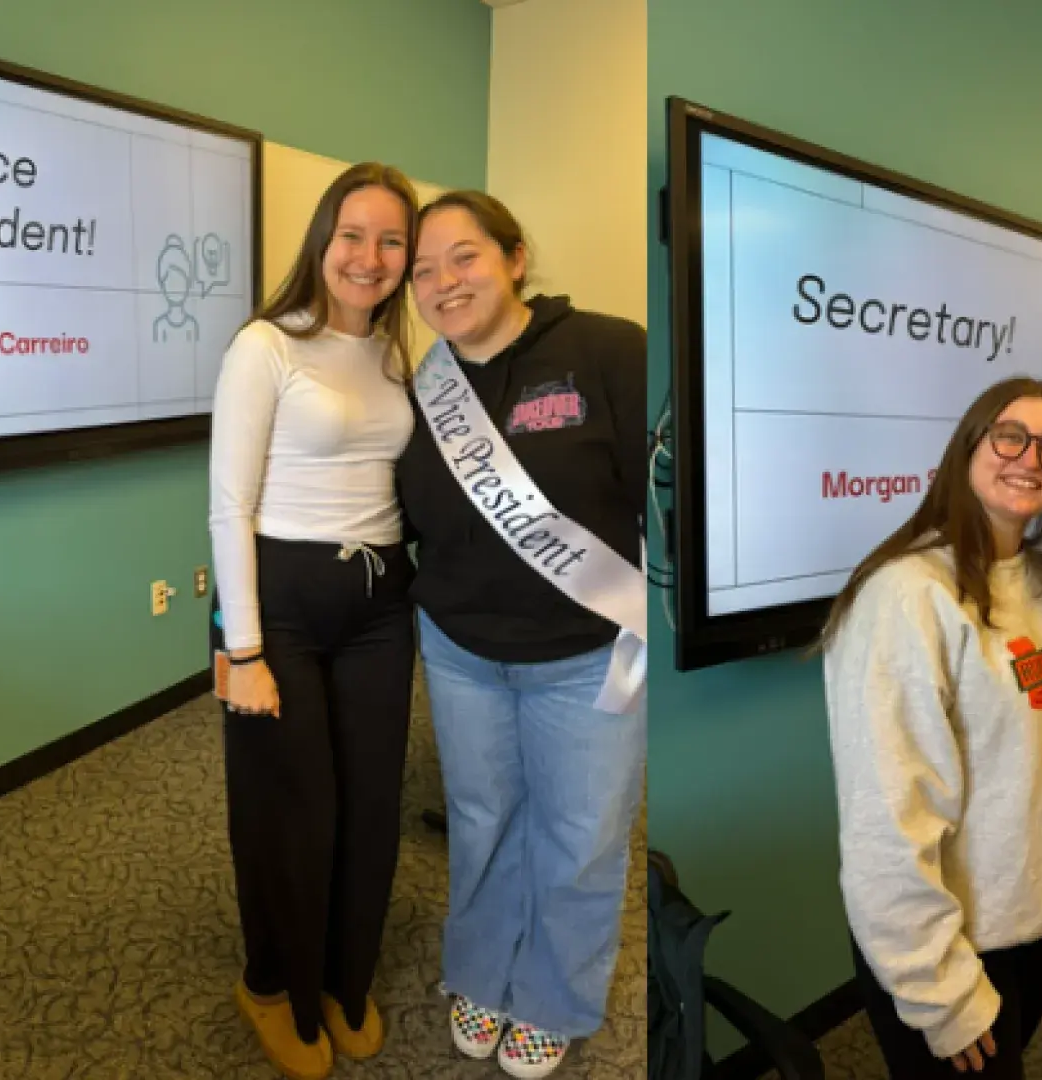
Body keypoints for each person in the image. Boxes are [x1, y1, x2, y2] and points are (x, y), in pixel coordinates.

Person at [396, 191, 647, 1079]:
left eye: (464, 257)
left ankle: (551, 998)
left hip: (585, 654)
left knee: (580, 839)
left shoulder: (611, 350)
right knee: (481, 821)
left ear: (515, 258)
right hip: (461, 651)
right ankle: (481, 973)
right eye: (423, 271)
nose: (444, 282)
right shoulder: (423, 387)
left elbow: (663, 502)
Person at [820, 377, 1042, 1079]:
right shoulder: (906, 596)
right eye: (1010, 437)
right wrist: (937, 988)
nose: (1030, 458)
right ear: (967, 449)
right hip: (954, 949)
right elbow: (886, 818)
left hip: (1039, 918)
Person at [208, 161, 419, 1080]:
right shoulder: (267, 346)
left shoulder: (397, 355)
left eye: (391, 241)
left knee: (370, 804)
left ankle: (341, 976)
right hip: (281, 604)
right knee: (292, 810)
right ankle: (272, 984)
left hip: (380, 603)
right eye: (353, 236)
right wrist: (244, 648)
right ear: (322, 241)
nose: (370, 257)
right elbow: (229, 506)